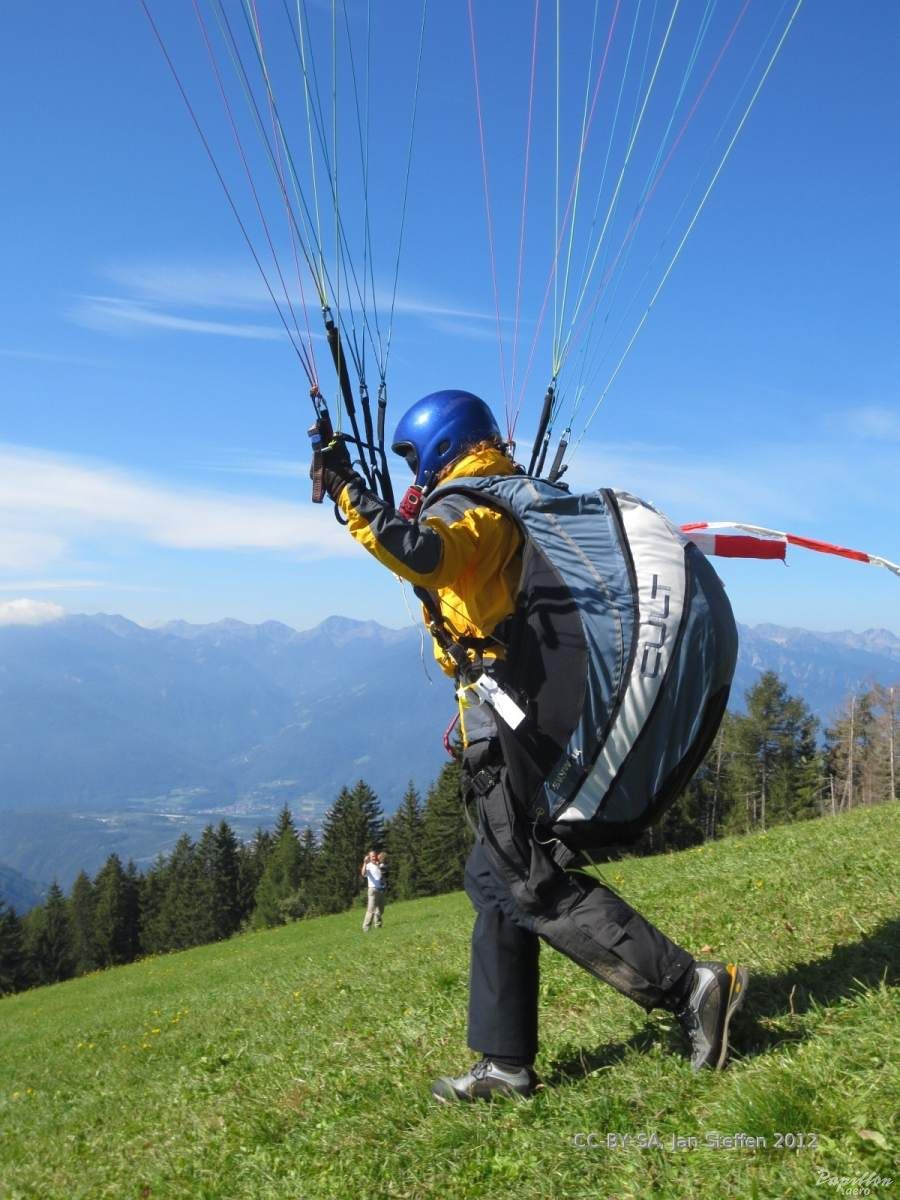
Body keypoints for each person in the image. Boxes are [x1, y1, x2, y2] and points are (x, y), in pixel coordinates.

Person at [316, 389, 748, 1101]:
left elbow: (426, 555)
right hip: (520, 710)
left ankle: (687, 986)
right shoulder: (509, 496)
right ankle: (505, 1062)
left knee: (525, 878)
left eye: (415, 459)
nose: (415, 475)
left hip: (509, 718)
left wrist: (349, 493)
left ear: (439, 446)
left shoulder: (472, 506)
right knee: (494, 879)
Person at [360, 850, 386, 931]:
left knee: (380, 910)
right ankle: (366, 928)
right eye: (372, 856)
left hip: (380, 889)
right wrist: (365, 863)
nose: (374, 858)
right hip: (373, 890)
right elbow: (363, 874)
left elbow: (382, 875)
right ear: (369, 858)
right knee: (371, 910)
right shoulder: (368, 865)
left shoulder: (379, 865)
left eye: (374, 856)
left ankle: (378, 925)